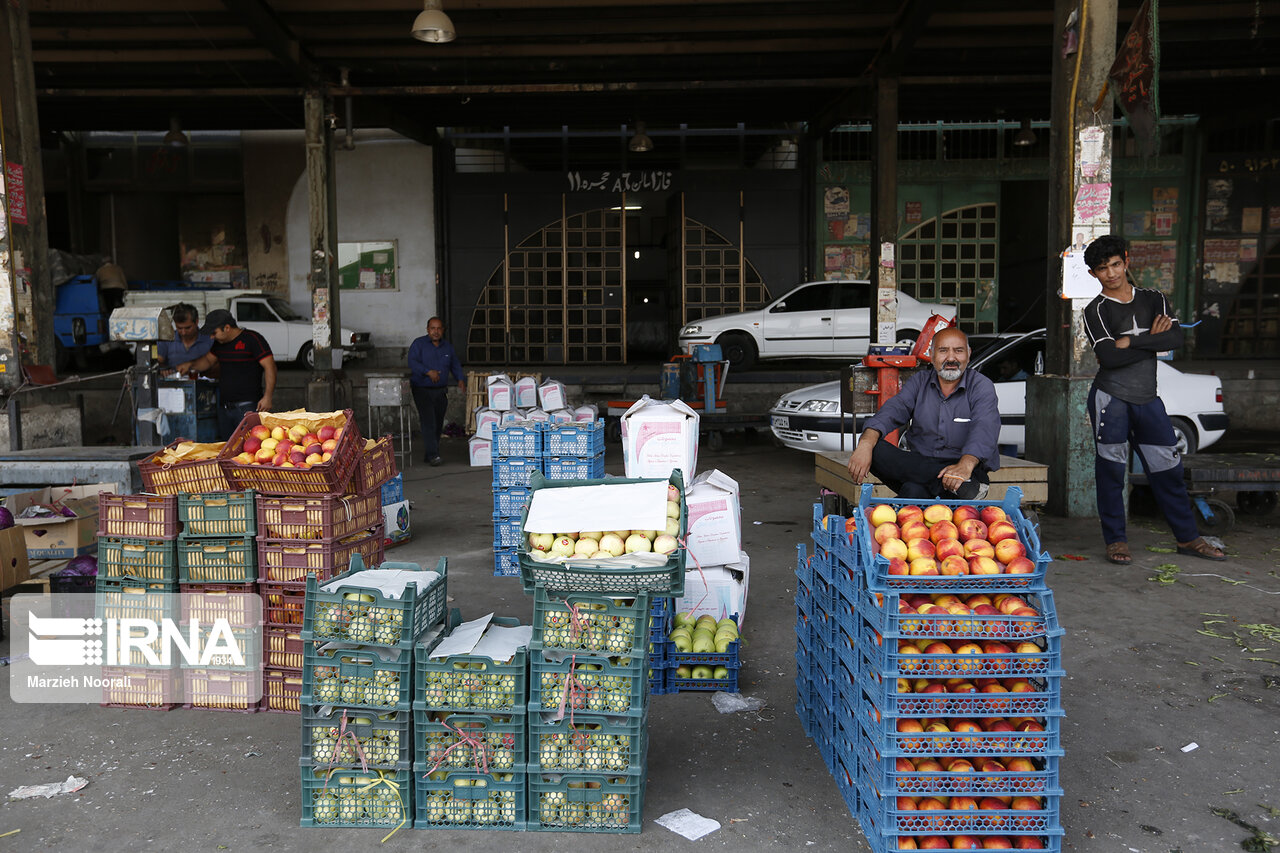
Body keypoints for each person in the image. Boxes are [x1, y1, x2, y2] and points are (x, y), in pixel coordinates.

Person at [1082, 234, 1226, 564]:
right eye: (1103, 269)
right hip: (1111, 400)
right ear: (1093, 274)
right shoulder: (1096, 311)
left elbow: (1174, 337)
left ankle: (1188, 539)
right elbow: (1108, 358)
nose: (1112, 273)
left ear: (1127, 261)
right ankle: (1116, 541)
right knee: (1111, 474)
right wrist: (1152, 339)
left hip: (1148, 400)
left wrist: (1130, 342)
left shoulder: (1153, 298)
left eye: (1116, 264)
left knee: (1168, 471)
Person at [846, 327, 1001, 500]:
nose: (951, 358)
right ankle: (961, 487)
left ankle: (956, 483)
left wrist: (965, 465)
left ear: (969, 353)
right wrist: (866, 442)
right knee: (874, 449)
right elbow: (893, 410)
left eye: (958, 351)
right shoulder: (919, 382)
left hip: (964, 469)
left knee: (913, 491)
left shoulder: (981, 386)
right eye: (943, 351)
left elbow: (985, 427)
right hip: (923, 468)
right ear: (932, 354)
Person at [175, 308, 276, 440]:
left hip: (248, 406)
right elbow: (207, 361)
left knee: (250, 445)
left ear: (227, 328)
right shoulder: (219, 344)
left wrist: (268, 397)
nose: (212, 337)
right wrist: (190, 365)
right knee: (227, 446)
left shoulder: (252, 339)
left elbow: (270, 367)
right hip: (224, 408)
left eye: (214, 332)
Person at [409, 316, 466, 466]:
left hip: (440, 391)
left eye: (439, 328)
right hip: (422, 389)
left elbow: (455, 364)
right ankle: (434, 455)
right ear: (427, 329)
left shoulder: (447, 347)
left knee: (438, 421)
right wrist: (428, 372)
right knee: (429, 421)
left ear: (443, 330)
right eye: (433, 328)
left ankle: (429, 454)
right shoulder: (418, 344)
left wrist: (460, 379)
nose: (436, 331)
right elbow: (412, 362)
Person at [156, 303, 213, 367]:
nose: (183, 332)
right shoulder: (167, 339)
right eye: (179, 328)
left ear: (196, 322)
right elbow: (157, 362)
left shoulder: (210, 340)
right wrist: (163, 369)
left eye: (188, 328)